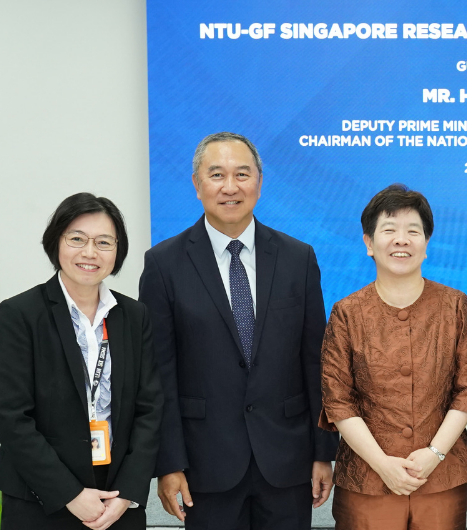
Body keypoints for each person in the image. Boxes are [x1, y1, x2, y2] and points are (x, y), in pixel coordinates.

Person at [140, 132, 338, 530]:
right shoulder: (163, 263)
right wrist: (169, 463)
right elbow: (158, 374)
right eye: (217, 174)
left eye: (242, 174)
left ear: (259, 183)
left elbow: (316, 362)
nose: (230, 187)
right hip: (204, 466)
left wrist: (323, 452)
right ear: (197, 185)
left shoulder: (298, 258)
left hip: (287, 462)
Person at [0, 192, 162, 530]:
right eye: (77, 239)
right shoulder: (20, 314)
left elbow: (150, 408)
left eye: (103, 242)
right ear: (56, 242)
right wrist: (69, 494)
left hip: (117, 500)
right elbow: (12, 418)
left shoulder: (134, 315)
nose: (89, 253)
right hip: (41, 501)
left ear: (117, 251)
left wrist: (127, 492)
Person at [319, 184, 467, 529]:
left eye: (413, 231)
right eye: (389, 230)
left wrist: (434, 454)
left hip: (440, 478)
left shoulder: (455, 305)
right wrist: (382, 464)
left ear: (426, 244)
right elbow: (338, 400)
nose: (401, 240)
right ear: (369, 243)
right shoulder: (347, 313)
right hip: (366, 480)